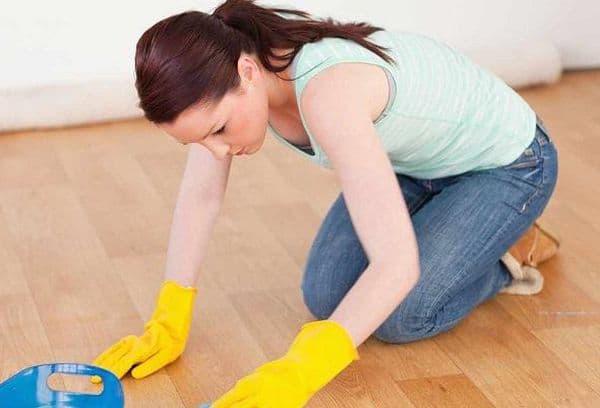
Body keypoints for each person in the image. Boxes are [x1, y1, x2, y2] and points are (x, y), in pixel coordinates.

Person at [91, 0, 560, 406]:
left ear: (247, 73)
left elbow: (397, 266)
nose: (216, 150)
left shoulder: (328, 93)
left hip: (509, 164)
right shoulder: (232, 50)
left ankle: (510, 247)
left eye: (217, 130)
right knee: (327, 295)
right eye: (199, 140)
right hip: (414, 166)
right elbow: (200, 196)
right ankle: (450, 226)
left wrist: (300, 371)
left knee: (403, 314)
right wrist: (170, 316)